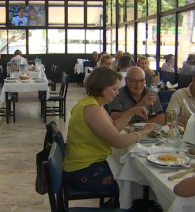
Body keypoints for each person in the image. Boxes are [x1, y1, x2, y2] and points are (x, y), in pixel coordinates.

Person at [64, 66, 157, 195]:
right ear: (101, 88)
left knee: (133, 172)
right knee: (136, 180)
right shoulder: (91, 108)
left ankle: (121, 204)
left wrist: (132, 111)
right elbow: (118, 141)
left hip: (86, 164)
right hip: (83, 169)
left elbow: (113, 126)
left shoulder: (92, 103)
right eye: (114, 89)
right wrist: (144, 131)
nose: (117, 92)